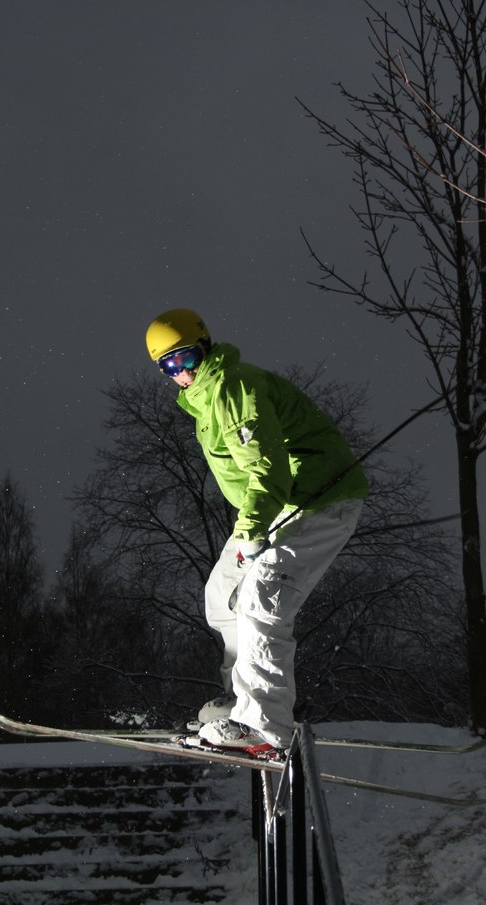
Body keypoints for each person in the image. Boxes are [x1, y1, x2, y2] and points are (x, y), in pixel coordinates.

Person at [145, 308, 369, 751]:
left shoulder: (232, 387)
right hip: (281, 505)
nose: (182, 372)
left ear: (205, 347)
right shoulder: (207, 402)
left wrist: (249, 530)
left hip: (320, 501)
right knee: (222, 596)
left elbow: (267, 470)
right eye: (170, 366)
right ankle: (239, 703)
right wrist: (252, 526)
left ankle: (265, 725)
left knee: (262, 596)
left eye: (187, 358)